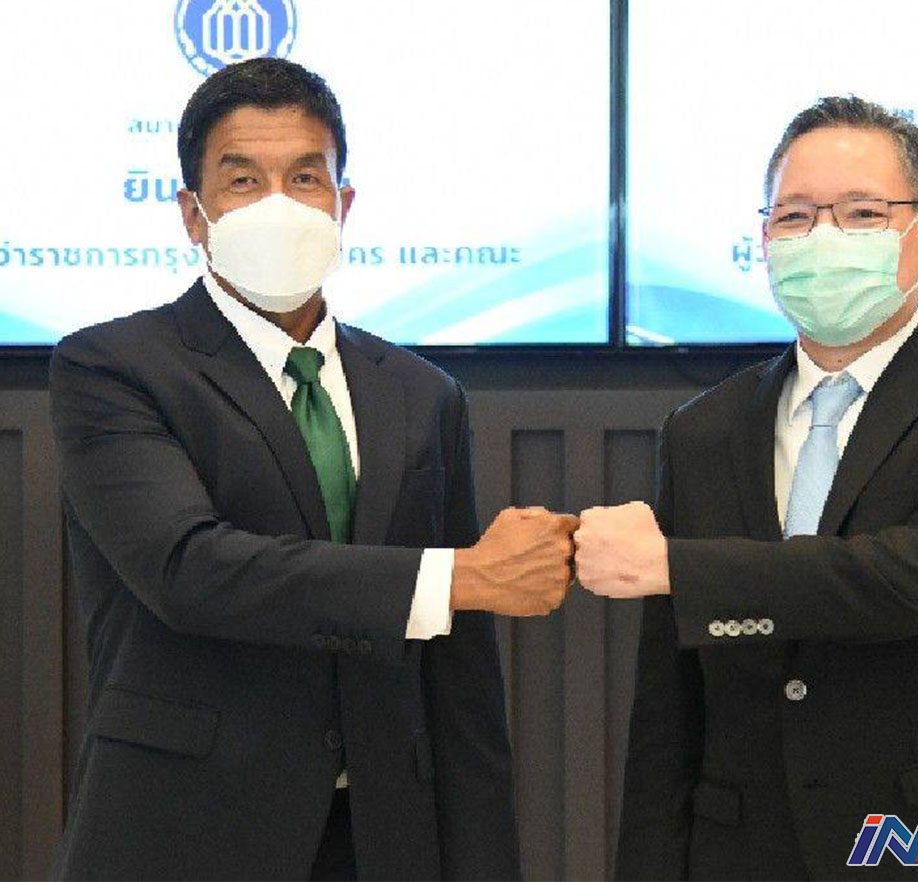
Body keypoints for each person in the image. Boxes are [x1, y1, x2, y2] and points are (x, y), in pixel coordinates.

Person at [50, 57, 577, 881]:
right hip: (183, 833)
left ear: (343, 204)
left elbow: (460, 688)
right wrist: (456, 578)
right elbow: (189, 569)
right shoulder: (113, 368)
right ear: (192, 214)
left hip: (383, 837)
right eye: (242, 181)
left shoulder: (421, 393)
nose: (279, 206)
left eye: (304, 178)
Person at [574, 96, 918, 879]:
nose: (824, 239)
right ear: (765, 240)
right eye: (796, 217)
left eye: (862, 214)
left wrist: (677, 566)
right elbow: (670, 710)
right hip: (745, 851)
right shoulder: (703, 427)